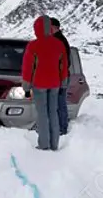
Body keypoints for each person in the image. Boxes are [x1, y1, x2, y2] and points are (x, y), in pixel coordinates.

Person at [21, 16, 69, 150]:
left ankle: (44, 144)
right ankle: (54, 144)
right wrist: (63, 84)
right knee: (53, 112)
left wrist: (26, 87)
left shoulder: (33, 45)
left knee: (42, 114)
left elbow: (27, 69)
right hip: (55, 84)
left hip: (39, 84)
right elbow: (63, 67)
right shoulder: (59, 45)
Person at [49, 18, 72, 136]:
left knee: (59, 103)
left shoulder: (58, 41)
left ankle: (62, 129)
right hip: (59, 76)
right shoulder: (58, 40)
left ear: (55, 27)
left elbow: (64, 61)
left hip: (59, 77)